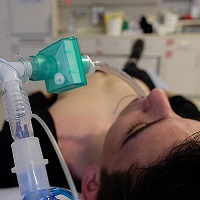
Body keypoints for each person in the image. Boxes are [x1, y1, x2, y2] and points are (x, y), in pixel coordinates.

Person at [0, 39, 200, 199]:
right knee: (134, 69)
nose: (156, 97)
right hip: (134, 79)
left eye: (139, 128)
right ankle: (133, 61)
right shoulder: (190, 145)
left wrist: (48, 91)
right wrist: (156, 87)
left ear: (93, 183)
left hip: (73, 83)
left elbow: (26, 106)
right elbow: (176, 99)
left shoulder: (38, 142)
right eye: (178, 116)